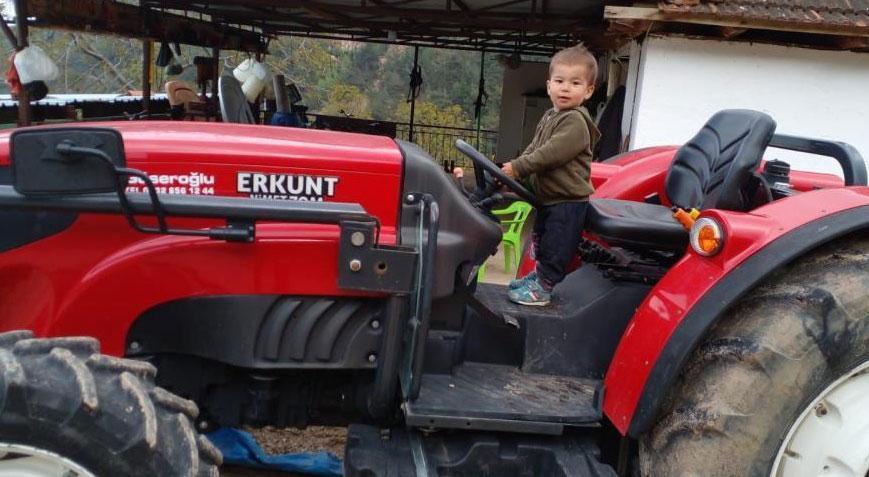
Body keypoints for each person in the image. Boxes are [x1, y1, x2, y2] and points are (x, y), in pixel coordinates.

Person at [500, 43, 601, 306]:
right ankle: (537, 276)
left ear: (588, 91)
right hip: (548, 199)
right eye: (560, 81)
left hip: (567, 201)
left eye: (575, 83)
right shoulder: (550, 116)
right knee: (542, 242)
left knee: (556, 247)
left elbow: (551, 153)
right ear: (549, 86)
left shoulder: (576, 121)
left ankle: (543, 287)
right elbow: (535, 148)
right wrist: (514, 169)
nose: (565, 87)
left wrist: (520, 167)